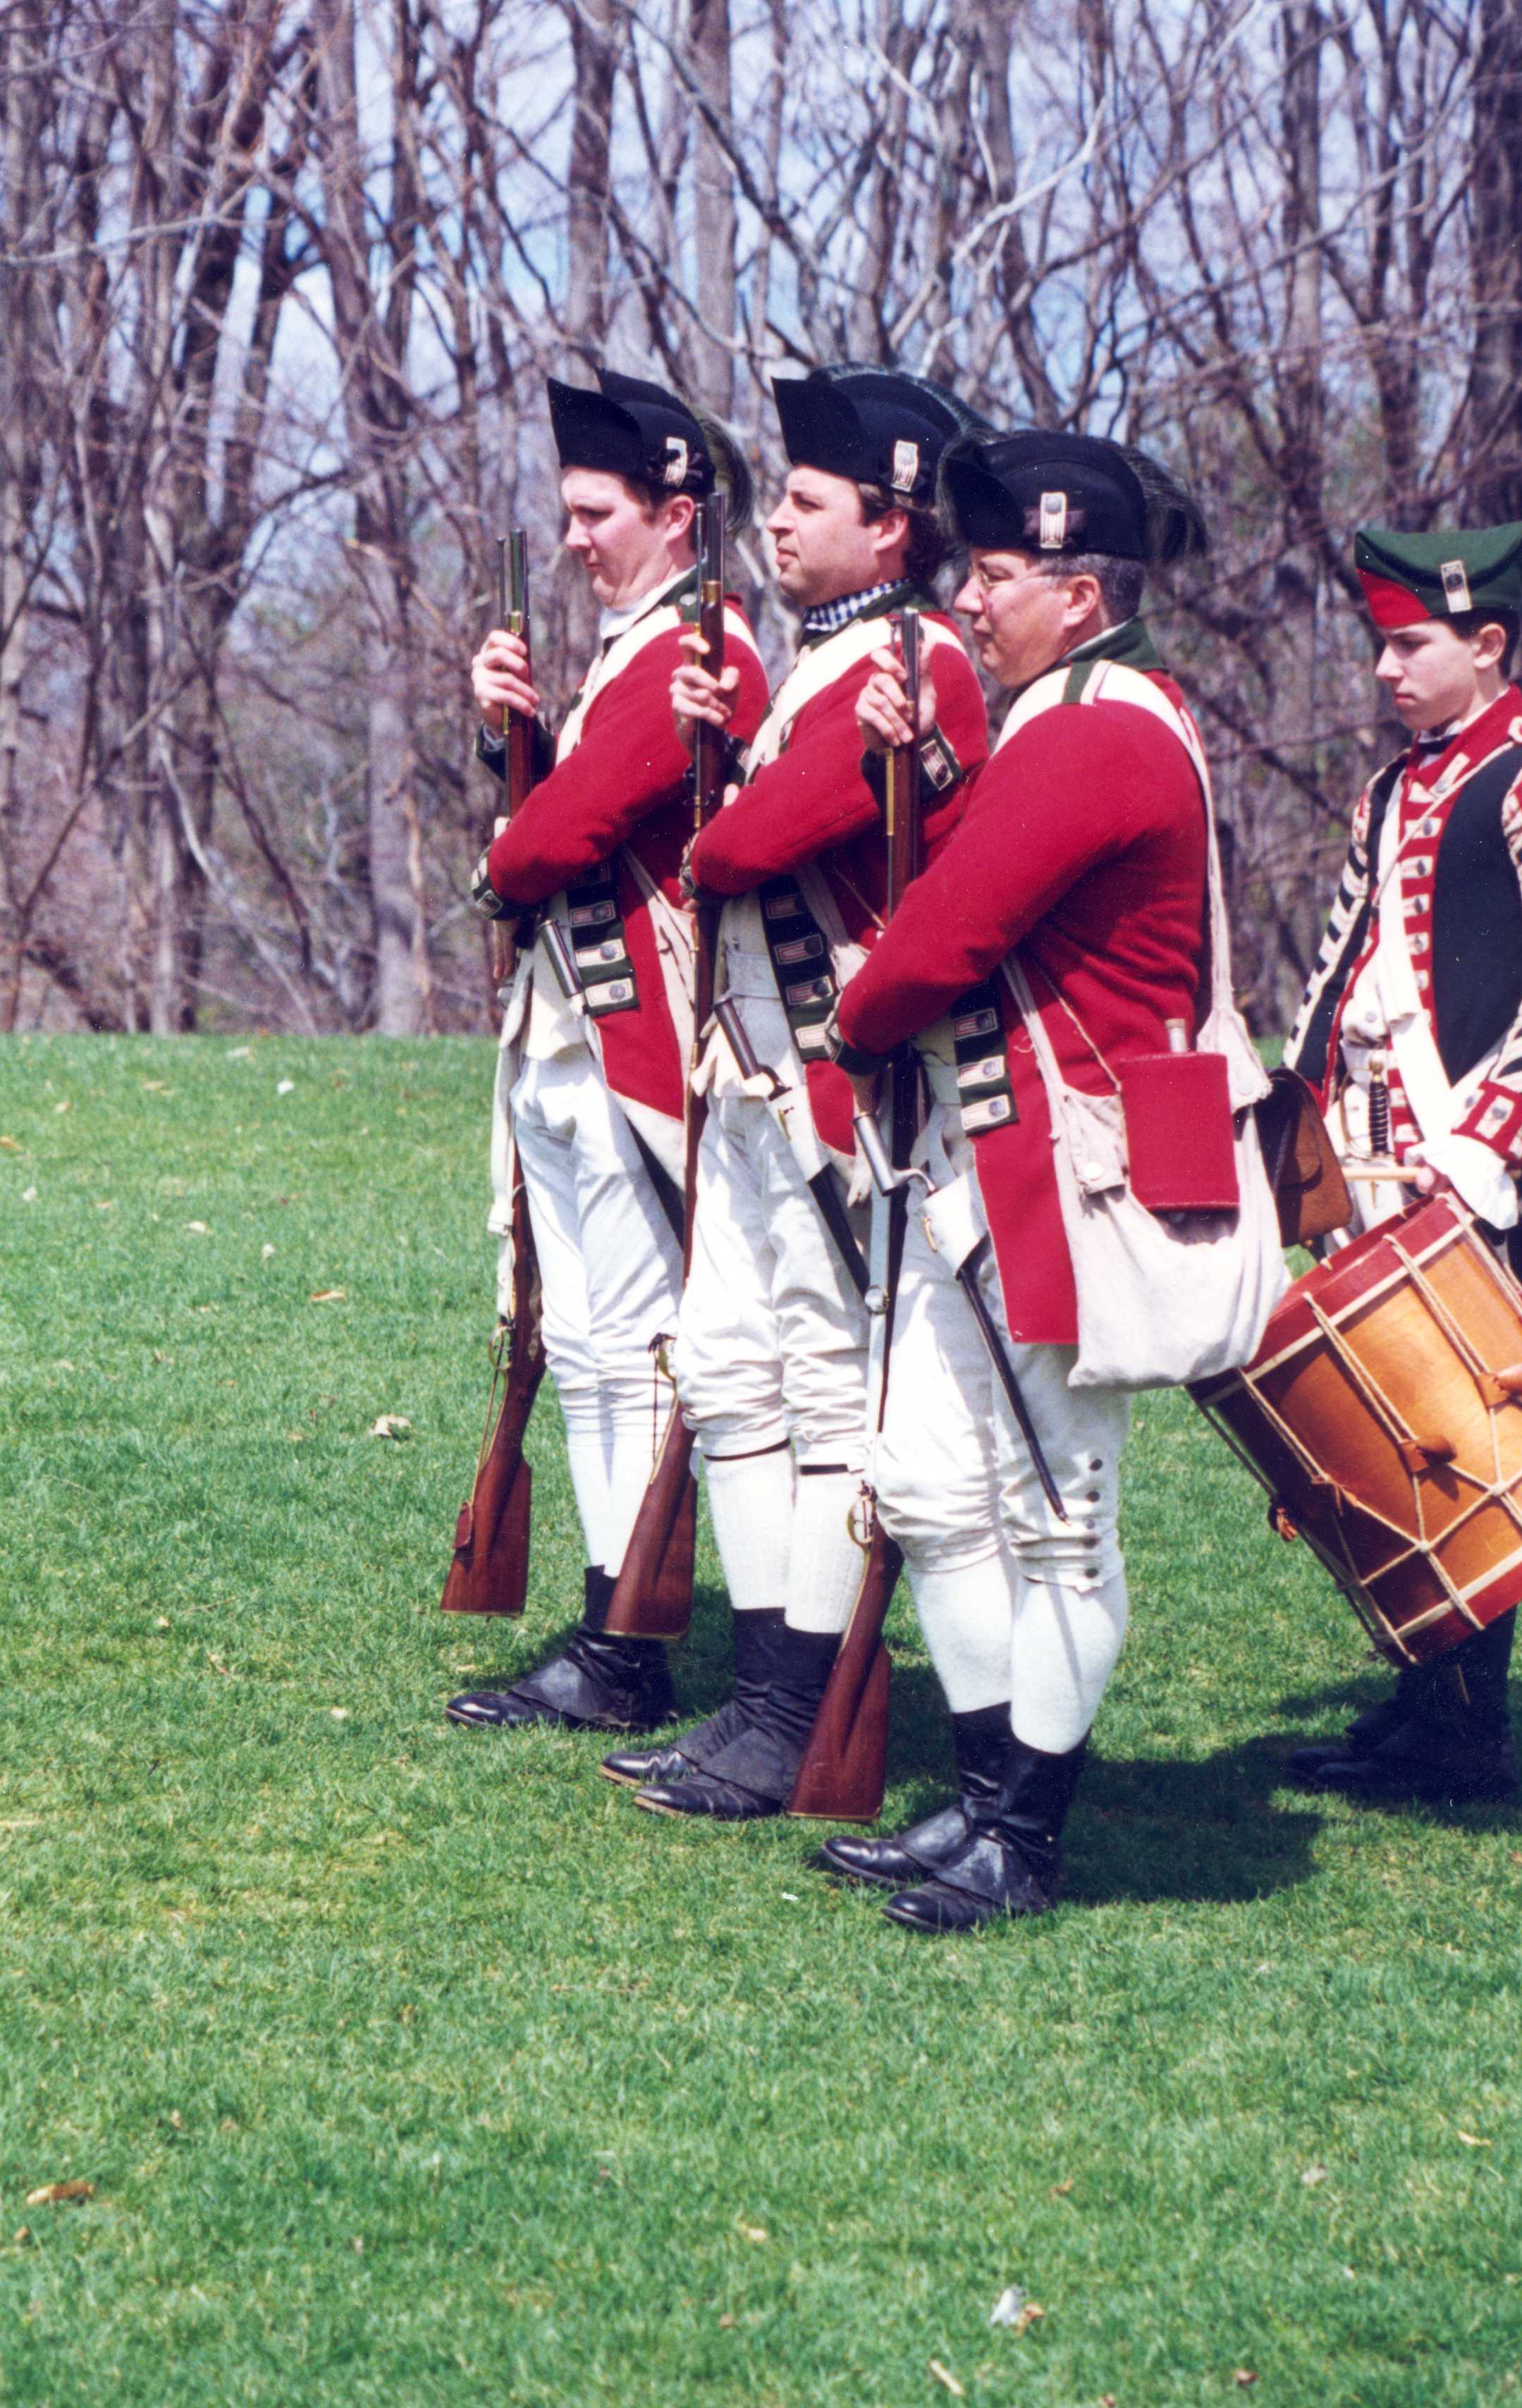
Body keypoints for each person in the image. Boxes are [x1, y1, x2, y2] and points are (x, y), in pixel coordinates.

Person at [814, 427, 1217, 1931]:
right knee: (934, 1486)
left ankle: (1025, 1837)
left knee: (1057, 1515)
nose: (969, 605)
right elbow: (981, 865)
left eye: (994, 576)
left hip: (1058, 1171)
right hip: (991, 1159)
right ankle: (981, 1804)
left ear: (1077, 585)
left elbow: (945, 932)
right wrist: (916, 762)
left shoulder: (1095, 727)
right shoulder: (1073, 716)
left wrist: (852, 1020)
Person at [599, 365, 990, 1822]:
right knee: (728, 1369)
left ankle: (798, 1703)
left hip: (832, 1092)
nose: (780, 522)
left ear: (888, 530)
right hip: (748, 1079)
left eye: (812, 501)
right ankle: (761, 1699)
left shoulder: (916, 662)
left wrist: (723, 806)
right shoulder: (828, 659)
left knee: (826, 1381)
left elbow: (762, 839)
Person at [446, 369, 768, 1736]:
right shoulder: (632, 654)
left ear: (675, 513)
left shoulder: (708, 654)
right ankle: (603, 1619)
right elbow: (556, 808)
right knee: (576, 1341)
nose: (575, 537)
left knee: (631, 1345)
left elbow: (555, 841)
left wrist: (505, 843)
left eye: (599, 513)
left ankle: (627, 1646)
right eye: (570, 514)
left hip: (639, 1055)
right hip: (566, 1042)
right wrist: (504, 728)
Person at [1282, 519, 1522, 1804]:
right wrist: (1299, 1117)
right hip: (1373, 1150)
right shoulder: (1390, 789)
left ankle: (1465, 1736)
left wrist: (1484, 1148)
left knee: (1463, 1435)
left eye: (1410, 645)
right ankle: (1426, 1698)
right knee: (1390, 1426)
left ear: (1486, 645)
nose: (1385, 669)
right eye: (1382, 644)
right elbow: (1341, 964)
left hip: (1474, 1157)